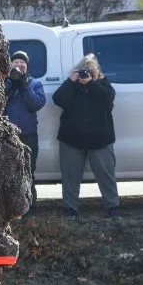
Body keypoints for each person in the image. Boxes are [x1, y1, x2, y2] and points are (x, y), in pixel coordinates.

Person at [53, 54, 119, 219]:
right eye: (85, 70)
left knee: (106, 175)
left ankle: (112, 206)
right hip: (71, 139)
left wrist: (91, 83)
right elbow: (58, 100)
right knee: (70, 177)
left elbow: (107, 100)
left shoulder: (103, 85)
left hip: (100, 139)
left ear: (98, 71)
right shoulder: (72, 86)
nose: (87, 73)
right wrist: (70, 81)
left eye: (91, 70)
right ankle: (70, 208)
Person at [3, 50, 46, 214]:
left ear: (27, 66)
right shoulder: (4, 82)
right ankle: (8, 208)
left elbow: (36, 104)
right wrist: (10, 86)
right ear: (10, 64)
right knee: (7, 172)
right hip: (7, 135)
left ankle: (30, 209)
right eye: (16, 62)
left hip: (28, 135)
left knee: (28, 171)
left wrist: (23, 87)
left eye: (22, 62)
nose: (19, 64)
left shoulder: (35, 83)